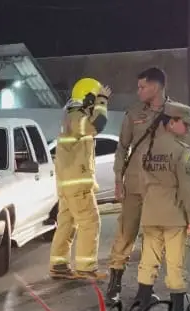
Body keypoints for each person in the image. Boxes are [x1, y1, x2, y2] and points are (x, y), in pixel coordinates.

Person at [126, 101, 190, 311]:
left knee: (148, 261)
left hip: (151, 212)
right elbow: (187, 189)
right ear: (172, 122)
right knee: (175, 264)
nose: (187, 128)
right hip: (174, 214)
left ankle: (141, 310)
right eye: (185, 123)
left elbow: (142, 182)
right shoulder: (181, 151)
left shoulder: (146, 148)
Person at [108, 67, 170, 303]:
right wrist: (118, 179)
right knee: (125, 233)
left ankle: (145, 289)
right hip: (134, 185)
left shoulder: (175, 113)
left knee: (154, 239)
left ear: (156, 86)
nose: (139, 91)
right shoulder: (134, 113)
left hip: (161, 188)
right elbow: (122, 148)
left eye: (142, 87)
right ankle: (114, 284)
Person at [49, 77, 111, 281]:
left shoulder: (71, 115)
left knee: (67, 224)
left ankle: (59, 265)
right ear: (88, 98)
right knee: (90, 223)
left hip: (69, 184)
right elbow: (97, 125)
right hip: (77, 184)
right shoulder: (77, 116)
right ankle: (86, 268)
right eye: (94, 98)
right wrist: (102, 101)